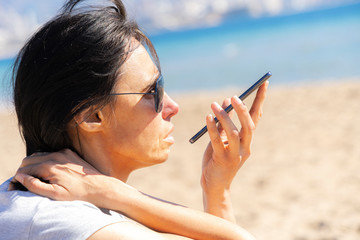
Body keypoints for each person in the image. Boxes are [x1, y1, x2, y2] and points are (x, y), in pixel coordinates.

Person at [0, 0, 268, 239]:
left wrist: (216, 187)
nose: (173, 106)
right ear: (92, 116)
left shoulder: (43, 203)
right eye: (154, 91)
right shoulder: (60, 220)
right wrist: (117, 194)